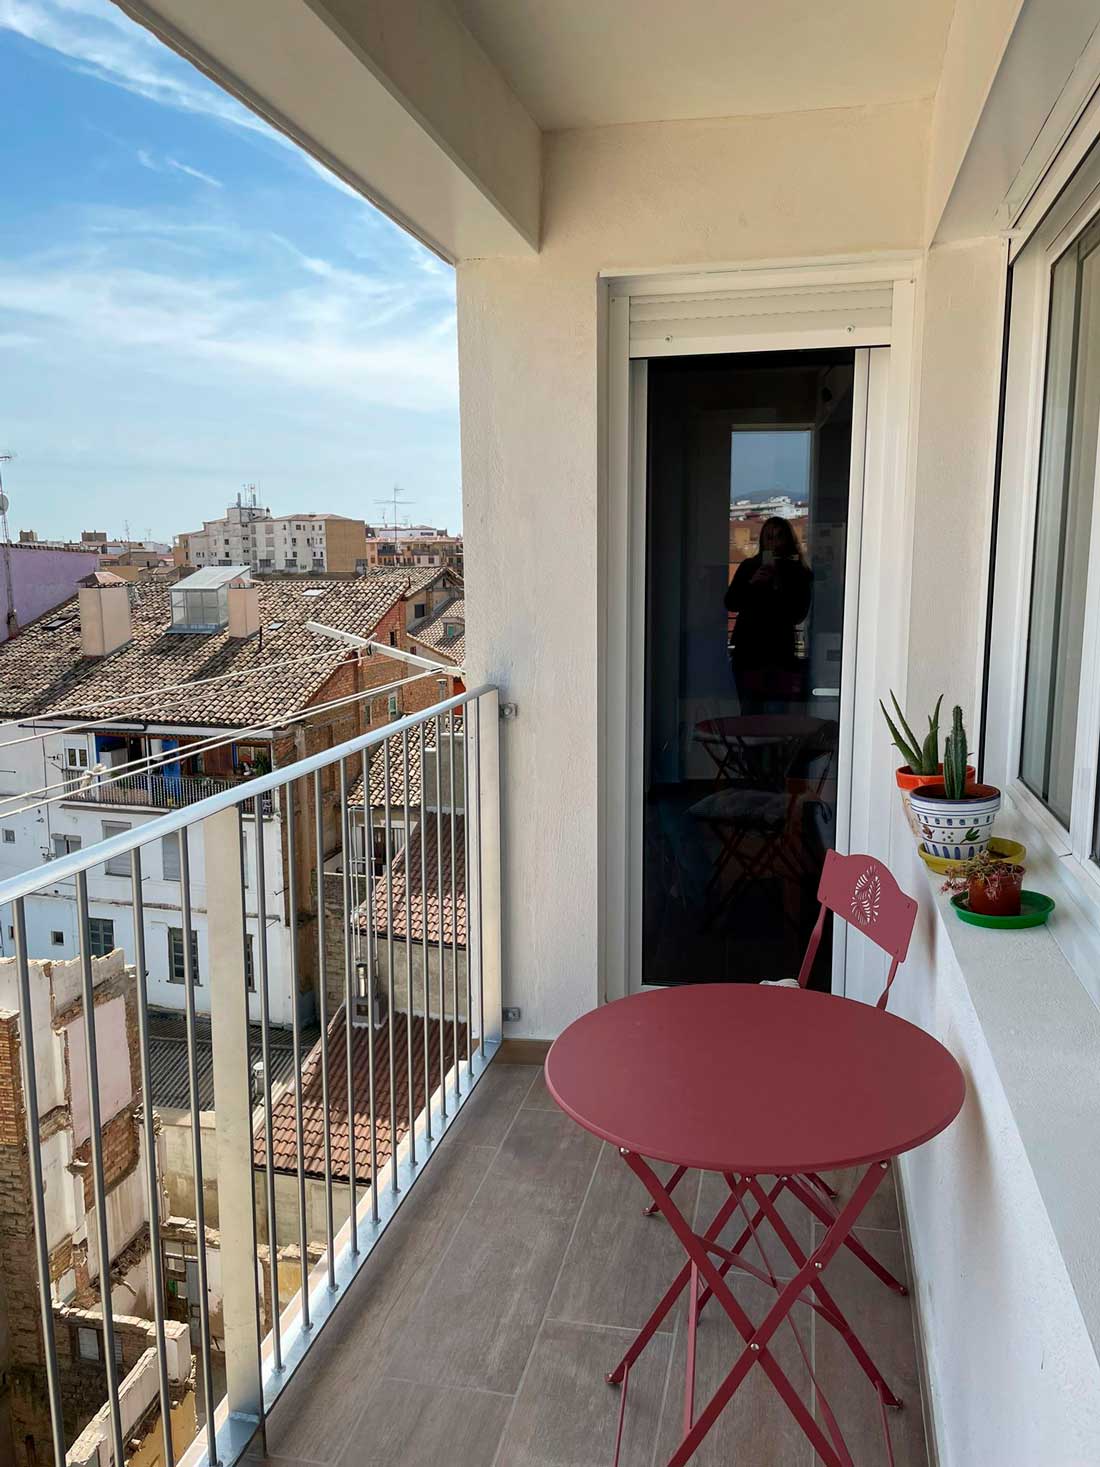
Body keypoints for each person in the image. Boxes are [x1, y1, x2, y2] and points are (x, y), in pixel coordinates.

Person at [724, 516, 812, 714]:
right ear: (762, 540)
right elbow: (731, 602)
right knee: (749, 714)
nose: (773, 542)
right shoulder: (749, 566)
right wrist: (752, 583)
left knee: (777, 717)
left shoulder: (797, 572)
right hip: (749, 652)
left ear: (788, 540)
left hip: (780, 654)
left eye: (779, 537)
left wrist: (780, 586)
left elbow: (798, 613)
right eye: (769, 537)